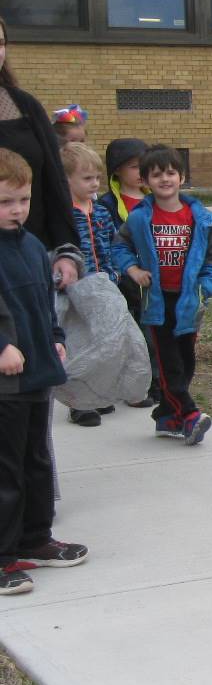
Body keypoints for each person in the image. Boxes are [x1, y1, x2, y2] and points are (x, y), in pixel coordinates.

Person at [0, 148, 88, 596]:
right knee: (5, 468)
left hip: (37, 374)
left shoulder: (33, 246)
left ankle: (36, 535)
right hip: (5, 382)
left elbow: (44, 305)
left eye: (22, 200)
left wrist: (55, 335)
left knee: (37, 461)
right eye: (4, 202)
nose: (16, 210)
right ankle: (3, 554)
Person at [109, 145, 212, 444]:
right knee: (169, 361)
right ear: (145, 181)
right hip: (157, 301)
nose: (165, 179)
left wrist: (206, 287)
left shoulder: (202, 219)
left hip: (190, 299)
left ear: (182, 177)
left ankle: (166, 417)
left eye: (171, 173)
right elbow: (119, 247)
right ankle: (188, 416)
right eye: (156, 174)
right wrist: (133, 270)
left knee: (186, 360)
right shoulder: (139, 218)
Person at [0, 17, 81, 292]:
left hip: (31, 253)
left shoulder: (24, 106)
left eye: (0, 43)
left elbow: (54, 180)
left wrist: (66, 252)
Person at [60, 142, 120, 427]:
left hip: (103, 284)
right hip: (73, 289)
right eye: (87, 178)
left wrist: (114, 273)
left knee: (103, 341)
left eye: (97, 177)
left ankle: (98, 394)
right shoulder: (62, 215)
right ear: (66, 180)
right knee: (78, 344)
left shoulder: (101, 212)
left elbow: (111, 244)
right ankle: (78, 403)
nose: (94, 183)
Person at [100, 136, 155, 409]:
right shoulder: (107, 205)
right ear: (117, 170)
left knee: (153, 335)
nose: (141, 173)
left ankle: (152, 383)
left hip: (153, 279)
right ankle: (126, 385)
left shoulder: (157, 200)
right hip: (123, 280)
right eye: (134, 167)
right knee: (126, 336)